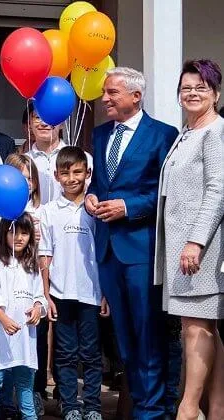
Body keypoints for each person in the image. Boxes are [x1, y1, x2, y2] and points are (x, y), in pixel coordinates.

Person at [84, 67, 179, 420]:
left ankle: (153, 412)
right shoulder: (100, 133)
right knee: (125, 342)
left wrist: (128, 206)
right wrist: (91, 198)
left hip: (141, 249)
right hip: (108, 251)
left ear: (135, 96)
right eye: (105, 92)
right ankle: (143, 406)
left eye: (112, 92)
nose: (104, 98)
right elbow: (100, 185)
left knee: (148, 336)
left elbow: (166, 193)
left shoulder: (163, 135)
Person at [155, 59, 224, 420]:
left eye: (201, 87)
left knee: (196, 326)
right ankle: (215, 410)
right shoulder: (188, 131)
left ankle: (188, 408)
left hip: (201, 247)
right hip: (183, 246)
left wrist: (196, 242)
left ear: (215, 93)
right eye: (186, 87)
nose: (193, 93)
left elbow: (217, 190)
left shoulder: (215, 132)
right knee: (202, 325)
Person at [39, 147, 109, 420]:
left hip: (91, 292)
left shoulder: (96, 209)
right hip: (61, 292)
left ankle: (92, 405)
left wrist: (106, 293)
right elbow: (45, 254)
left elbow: (102, 252)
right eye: (65, 172)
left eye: (77, 171)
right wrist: (46, 294)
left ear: (88, 173)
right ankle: (69, 405)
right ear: (56, 176)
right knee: (65, 353)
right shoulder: (49, 211)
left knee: (91, 354)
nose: (71, 178)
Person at [0, 213, 47, 420]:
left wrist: (38, 308)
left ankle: (30, 416)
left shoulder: (32, 266)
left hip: (25, 339)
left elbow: (40, 297)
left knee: (25, 383)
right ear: (3, 234)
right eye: (13, 232)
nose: (19, 237)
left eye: (24, 233)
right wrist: (3, 319)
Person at [23, 102, 93, 205]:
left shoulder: (82, 158)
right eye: (37, 117)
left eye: (51, 117)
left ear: (62, 124)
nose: (43, 123)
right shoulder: (23, 162)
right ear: (29, 124)